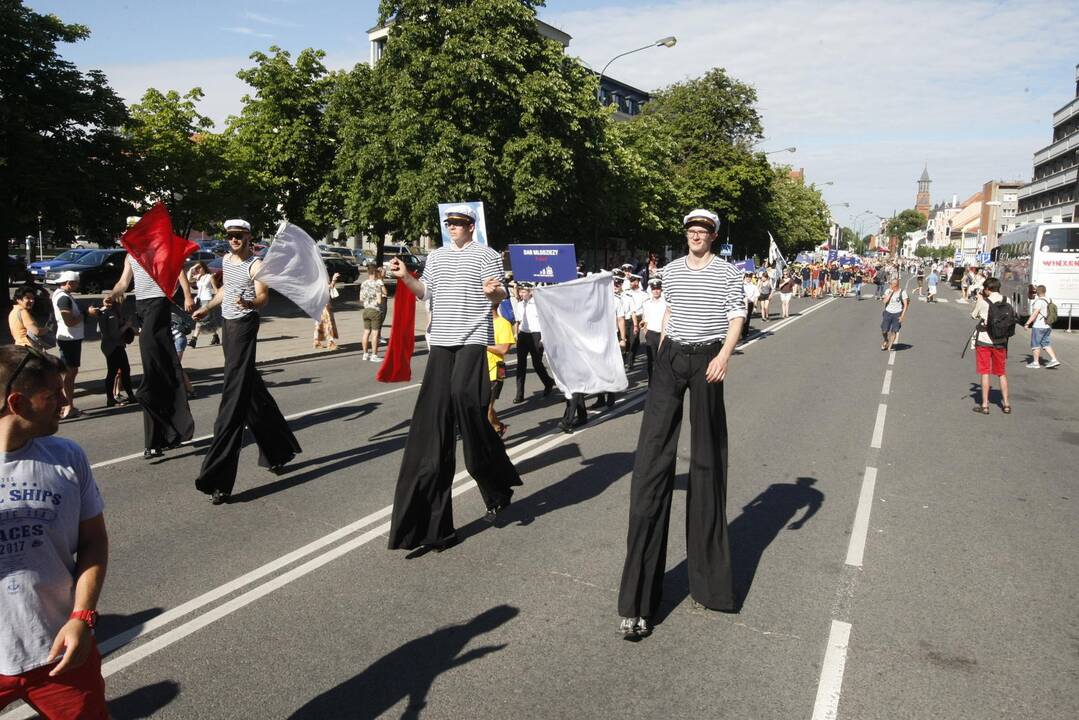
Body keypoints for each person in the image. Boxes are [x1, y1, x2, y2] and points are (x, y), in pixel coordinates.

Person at [618, 209, 746, 638]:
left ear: (712, 235)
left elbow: (737, 316)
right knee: (651, 464)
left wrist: (724, 356)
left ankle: (709, 585)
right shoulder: (671, 271)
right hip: (671, 358)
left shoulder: (727, 272)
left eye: (703, 231)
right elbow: (669, 312)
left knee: (707, 463)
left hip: (709, 358)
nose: (696, 235)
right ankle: (637, 600)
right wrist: (661, 351)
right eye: (691, 230)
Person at [386, 205, 520, 552]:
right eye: (450, 224)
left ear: (471, 227)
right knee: (432, 430)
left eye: (460, 224)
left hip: (473, 338)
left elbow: (499, 293)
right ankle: (434, 528)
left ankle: (495, 482)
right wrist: (405, 276)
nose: (454, 228)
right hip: (441, 343)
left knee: (466, 402)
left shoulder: (486, 255)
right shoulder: (436, 256)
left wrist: (494, 293)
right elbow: (423, 292)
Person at [0, 345, 109, 719]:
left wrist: (83, 617)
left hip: (57, 650)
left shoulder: (68, 457)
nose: (64, 402)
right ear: (17, 403)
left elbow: (94, 541)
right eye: (51, 395)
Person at [192, 219, 301, 505]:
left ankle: (219, 479)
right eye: (230, 236)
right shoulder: (227, 260)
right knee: (250, 388)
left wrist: (250, 303)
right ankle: (278, 450)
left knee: (234, 397)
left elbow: (263, 296)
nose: (234, 240)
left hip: (245, 326)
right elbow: (226, 291)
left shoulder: (257, 265)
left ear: (249, 237)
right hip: (228, 327)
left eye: (238, 235)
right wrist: (206, 308)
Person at [108, 217, 196, 459]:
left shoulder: (159, 250)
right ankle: (164, 434)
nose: (128, 232)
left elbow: (178, 271)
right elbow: (123, 283)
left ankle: (146, 393)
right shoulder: (130, 255)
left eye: (133, 228)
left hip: (159, 306)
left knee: (152, 364)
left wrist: (187, 296)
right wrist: (113, 295)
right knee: (162, 373)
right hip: (142, 309)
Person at [51, 271, 99, 419]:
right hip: (69, 339)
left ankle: (66, 405)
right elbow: (69, 321)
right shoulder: (63, 298)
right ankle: (67, 406)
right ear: (68, 283)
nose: (78, 285)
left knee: (71, 372)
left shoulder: (61, 295)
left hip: (72, 338)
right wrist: (86, 313)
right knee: (70, 373)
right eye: (76, 282)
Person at [970, 277, 1012, 414]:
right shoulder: (1007, 300)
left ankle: (985, 405)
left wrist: (979, 299)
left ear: (987, 289)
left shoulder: (983, 302)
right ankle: (1006, 404)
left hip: (984, 340)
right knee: (1001, 373)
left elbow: (973, 315)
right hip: (1001, 341)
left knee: (985, 372)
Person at [512, 282, 555, 403]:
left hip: (536, 334)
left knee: (537, 363)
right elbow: (518, 321)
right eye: (520, 291)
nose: (521, 294)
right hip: (524, 334)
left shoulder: (538, 304)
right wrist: (516, 334)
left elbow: (545, 321)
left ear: (531, 292)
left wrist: (543, 338)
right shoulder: (520, 305)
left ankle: (548, 382)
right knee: (521, 365)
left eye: (524, 291)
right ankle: (519, 394)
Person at [98, 295, 136, 407]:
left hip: (112, 346)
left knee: (121, 370)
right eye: (121, 303)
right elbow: (115, 334)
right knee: (116, 371)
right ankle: (114, 398)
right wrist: (126, 326)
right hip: (113, 347)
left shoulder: (109, 313)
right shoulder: (111, 315)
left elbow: (98, 329)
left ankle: (126, 396)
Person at [485, 304, 515, 436]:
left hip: (497, 370)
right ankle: (498, 427)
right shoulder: (480, 324)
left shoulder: (503, 324)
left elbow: (503, 349)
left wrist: (483, 344)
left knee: (487, 409)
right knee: (483, 407)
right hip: (481, 370)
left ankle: (492, 438)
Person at [1025, 285, 1061, 369]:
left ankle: (1035, 362)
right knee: (1046, 343)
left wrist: (1027, 323)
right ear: (1045, 291)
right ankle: (1054, 359)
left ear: (1037, 292)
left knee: (1035, 344)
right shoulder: (1049, 300)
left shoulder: (1039, 301)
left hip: (1039, 326)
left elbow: (1035, 314)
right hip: (1048, 325)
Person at [639, 278, 668, 382]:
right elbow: (645, 318)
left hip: (663, 334)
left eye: (658, 288)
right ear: (651, 290)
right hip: (651, 334)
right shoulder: (646, 303)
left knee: (663, 359)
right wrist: (645, 329)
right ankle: (652, 382)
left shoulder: (666, 303)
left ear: (661, 290)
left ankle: (663, 381)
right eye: (654, 289)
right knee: (651, 360)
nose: (656, 291)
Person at [188, 261, 220, 348]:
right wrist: (191, 268)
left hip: (207, 300)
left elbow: (215, 289)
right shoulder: (198, 277)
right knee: (209, 321)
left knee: (200, 320)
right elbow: (188, 279)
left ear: (204, 267)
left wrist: (220, 299)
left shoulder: (210, 277)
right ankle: (216, 336)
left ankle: (193, 340)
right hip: (199, 300)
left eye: (199, 267)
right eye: (197, 268)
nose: (198, 269)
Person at [360, 263, 386, 362]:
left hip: (366, 310)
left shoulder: (363, 283)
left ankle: (365, 354)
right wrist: (380, 298)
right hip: (375, 310)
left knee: (366, 332)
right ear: (375, 272)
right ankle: (374, 355)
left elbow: (361, 298)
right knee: (375, 334)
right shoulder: (377, 284)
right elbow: (379, 301)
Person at [625, 274, 648, 370]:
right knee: (627, 340)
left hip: (638, 318)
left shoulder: (643, 294)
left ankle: (630, 361)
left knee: (633, 339)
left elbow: (646, 308)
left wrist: (644, 320)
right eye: (630, 281)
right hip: (627, 318)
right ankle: (628, 355)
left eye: (633, 281)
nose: (631, 283)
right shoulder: (626, 293)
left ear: (637, 282)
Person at [314, 272, 340, 351]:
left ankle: (316, 342)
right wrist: (334, 279)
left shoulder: (316, 280)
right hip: (324, 306)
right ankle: (330, 342)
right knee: (328, 324)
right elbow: (329, 287)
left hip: (319, 305)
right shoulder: (321, 280)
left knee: (319, 324)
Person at [880, 278, 908, 352]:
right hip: (888, 312)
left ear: (896, 284)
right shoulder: (888, 291)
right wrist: (890, 292)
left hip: (897, 313)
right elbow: (884, 301)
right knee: (884, 330)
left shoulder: (902, 292)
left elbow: (905, 305)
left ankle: (890, 345)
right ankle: (886, 340)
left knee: (894, 331)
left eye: (891, 284)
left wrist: (902, 316)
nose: (890, 285)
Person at [741, 273, 759, 339]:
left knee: (747, 318)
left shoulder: (753, 286)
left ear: (751, 278)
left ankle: (745, 333)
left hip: (750, 303)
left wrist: (755, 306)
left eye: (749, 277)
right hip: (741, 303)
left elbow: (756, 296)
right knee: (741, 318)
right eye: (747, 277)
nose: (748, 278)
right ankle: (740, 332)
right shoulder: (741, 285)